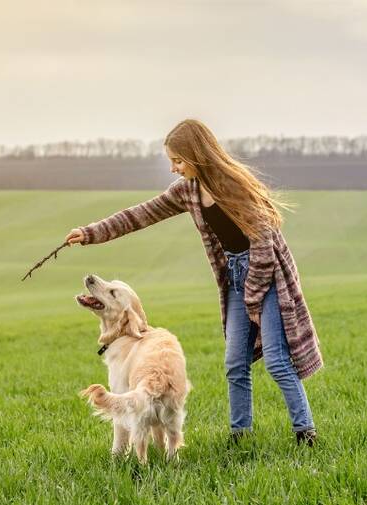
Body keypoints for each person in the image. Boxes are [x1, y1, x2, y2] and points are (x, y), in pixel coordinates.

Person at [66, 119, 322, 446]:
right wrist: (90, 233)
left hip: (267, 277)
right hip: (234, 278)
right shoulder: (187, 191)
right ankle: (240, 435)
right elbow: (139, 215)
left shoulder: (235, 187)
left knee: (276, 360)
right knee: (234, 363)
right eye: (171, 161)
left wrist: (254, 295)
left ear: (197, 155)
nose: (173, 168)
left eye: (177, 160)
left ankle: (305, 431)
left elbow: (264, 245)